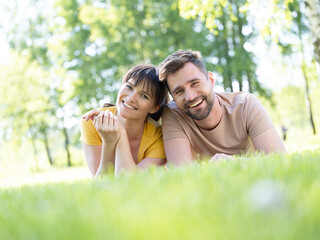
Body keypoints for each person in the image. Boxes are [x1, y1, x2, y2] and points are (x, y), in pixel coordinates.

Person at [158, 50, 287, 166]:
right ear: (173, 97)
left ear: (211, 80)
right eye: (179, 91)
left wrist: (234, 163)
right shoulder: (173, 114)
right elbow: (182, 172)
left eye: (195, 83)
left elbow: (279, 159)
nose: (190, 96)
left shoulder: (246, 105)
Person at [80, 64, 168, 176]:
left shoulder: (160, 136)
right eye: (129, 87)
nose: (131, 98)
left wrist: (120, 134)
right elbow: (102, 185)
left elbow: (130, 183)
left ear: (154, 108)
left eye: (144, 96)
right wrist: (109, 142)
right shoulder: (92, 122)